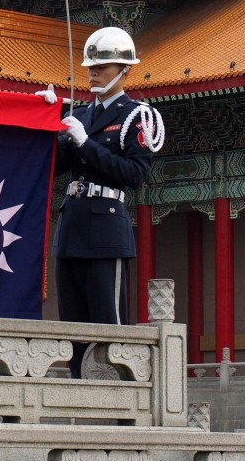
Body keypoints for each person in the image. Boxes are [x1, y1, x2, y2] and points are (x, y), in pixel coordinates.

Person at [46, 26, 165, 378]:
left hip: (105, 231)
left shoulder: (136, 116)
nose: (94, 73)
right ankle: (80, 395)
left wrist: (86, 144)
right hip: (72, 228)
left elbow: (134, 174)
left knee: (108, 326)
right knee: (73, 330)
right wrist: (45, 123)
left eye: (103, 67)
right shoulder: (81, 115)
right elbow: (55, 168)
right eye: (91, 67)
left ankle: (118, 401)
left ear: (124, 70)